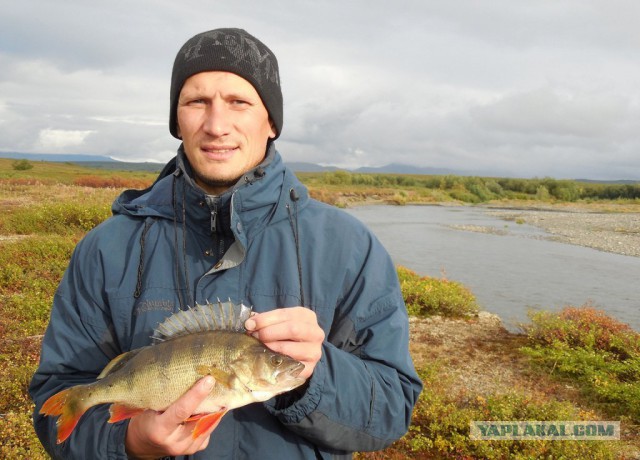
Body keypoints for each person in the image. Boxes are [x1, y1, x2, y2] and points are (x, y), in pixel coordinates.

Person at [29, 28, 422, 459]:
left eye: (239, 102)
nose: (217, 126)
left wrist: (314, 374)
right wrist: (130, 442)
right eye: (197, 102)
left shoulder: (350, 248)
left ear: (271, 121)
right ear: (177, 120)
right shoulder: (106, 250)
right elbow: (57, 399)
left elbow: (390, 409)